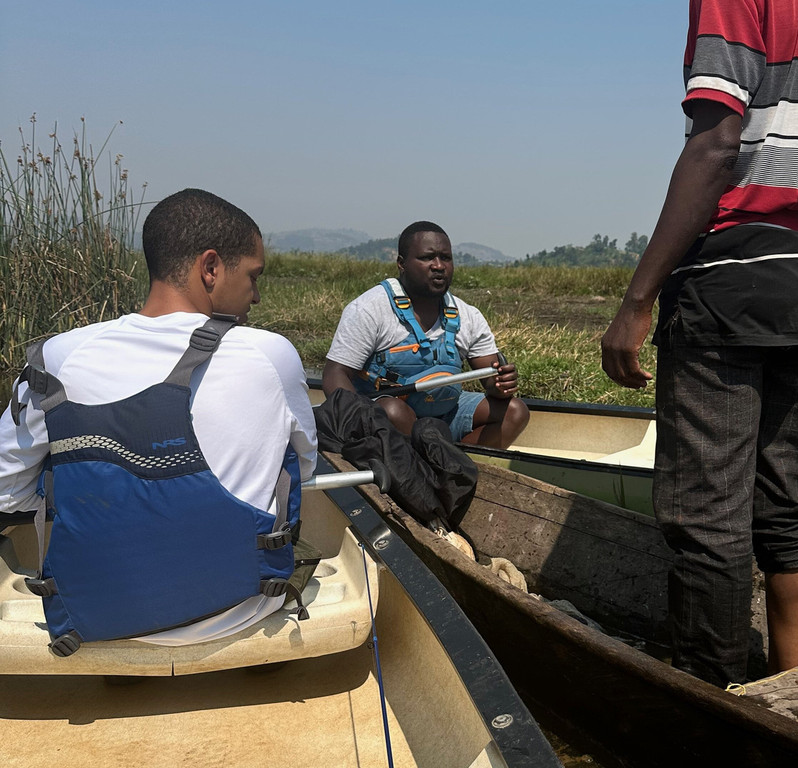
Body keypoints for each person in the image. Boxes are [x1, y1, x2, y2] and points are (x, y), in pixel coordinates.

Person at [601, 0, 798, 687]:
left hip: (723, 285)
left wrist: (637, 302)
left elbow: (717, 145)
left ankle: (708, 697)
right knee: (782, 502)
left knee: (708, 516)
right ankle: (792, 686)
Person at [0, 188, 318, 648]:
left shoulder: (57, 358)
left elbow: (8, 491)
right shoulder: (270, 354)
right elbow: (303, 471)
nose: (258, 296)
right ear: (210, 268)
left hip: (98, 621)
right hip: (242, 610)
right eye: (253, 276)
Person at [322, 221, 529, 449]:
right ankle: (431, 464)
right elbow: (335, 374)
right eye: (427, 258)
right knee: (393, 411)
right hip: (387, 421)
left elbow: (491, 379)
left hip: (446, 413)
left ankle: (463, 466)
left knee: (515, 411)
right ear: (402, 264)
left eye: (446, 258)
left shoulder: (468, 315)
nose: (438, 266)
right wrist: (359, 420)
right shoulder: (370, 309)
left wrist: (501, 383)